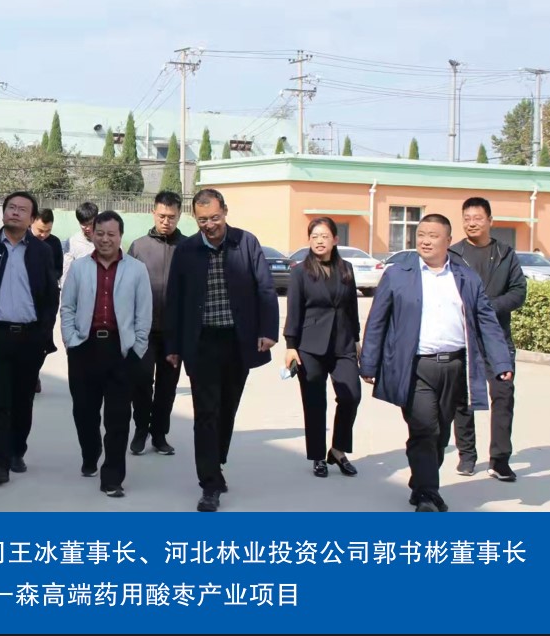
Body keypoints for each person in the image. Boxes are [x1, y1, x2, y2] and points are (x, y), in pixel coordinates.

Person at [359, 214, 514, 513]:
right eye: (421, 235)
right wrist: (369, 363)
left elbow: (486, 321)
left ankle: (421, 484)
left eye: (433, 235)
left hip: (454, 368)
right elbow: (377, 321)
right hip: (415, 367)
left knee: (441, 434)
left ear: (448, 241)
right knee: (424, 429)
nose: (425, 241)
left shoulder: (466, 278)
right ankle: (428, 494)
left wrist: (501, 362)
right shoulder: (398, 274)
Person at [164, 188, 280, 512]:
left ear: (225, 212)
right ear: (195, 219)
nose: (210, 225)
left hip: (237, 341)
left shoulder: (246, 243)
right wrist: (172, 345)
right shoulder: (186, 250)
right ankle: (209, 484)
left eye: (214, 217)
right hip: (201, 343)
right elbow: (174, 300)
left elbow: (265, 288)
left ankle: (216, 462)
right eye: (203, 220)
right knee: (206, 413)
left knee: (227, 408)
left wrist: (268, 331)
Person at [0, 191, 59, 486]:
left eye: (22, 209)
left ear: (32, 218)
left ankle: (17, 450)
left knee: (22, 401)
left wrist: (44, 332)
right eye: (11, 207)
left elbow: (50, 296)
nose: (15, 212)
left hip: (29, 338)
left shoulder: (42, 251)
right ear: (3, 212)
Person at [61, 210, 151, 497]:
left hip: (120, 350)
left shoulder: (137, 270)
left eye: (111, 234)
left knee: (118, 417)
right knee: (84, 412)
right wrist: (71, 342)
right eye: (100, 233)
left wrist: (136, 349)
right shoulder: (79, 268)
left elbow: (143, 314)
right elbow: (67, 307)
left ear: (120, 236)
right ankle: (90, 453)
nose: (105, 239)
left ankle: (112, 477)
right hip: (85, 348)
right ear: (92, 234)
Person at [448, 197, 527, 481]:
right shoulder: (453, 254)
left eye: (477, 218)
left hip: (498, 338)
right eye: (467, 218)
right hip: (463, 338)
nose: (471, 223)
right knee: (462, 399)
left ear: (490, 221)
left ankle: (500, 460)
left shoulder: (505, 254)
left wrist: (488, 307)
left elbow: (519, 292)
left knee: (503, 396)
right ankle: (467, 456)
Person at [283, 216, 362, 478]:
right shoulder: (299, 271)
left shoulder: (346, 269)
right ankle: (317, 455)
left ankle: (338, 450)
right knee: (315, 403)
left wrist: (357, 339)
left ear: (335, 240)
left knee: (351, 396)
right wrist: (291, 346)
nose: (319, 241)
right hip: (310, 347)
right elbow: (293, 310)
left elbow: (352, 307)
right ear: (309, 240)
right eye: (314, 236)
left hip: (343, 344)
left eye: (325, 236)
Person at [126, 191, 185, 456]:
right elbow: (126, 288)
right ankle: (141, 430)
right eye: (161, 216)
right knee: (140, 382)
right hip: (143, 330)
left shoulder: (188, 247)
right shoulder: (139, 247)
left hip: (174, 333)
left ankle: (160, 434)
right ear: (153, 213)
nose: (166, 221)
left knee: (167, 387)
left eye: (171, 217)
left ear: (180, 215)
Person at [30, 208, 64, 395]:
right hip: (26, 300)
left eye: (48, 231)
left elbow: (58, 269)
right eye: (40, 230)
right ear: (32, 222)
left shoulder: (54, 243)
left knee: (44, 340)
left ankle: (34, 372)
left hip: (47, 300)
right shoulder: (24, 241)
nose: (43, 235)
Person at [61, 201, 97, 285]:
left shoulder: (109, 239)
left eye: (90, 224)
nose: (87, 228)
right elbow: (66, 272)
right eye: (83, 224)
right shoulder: (72, 242)